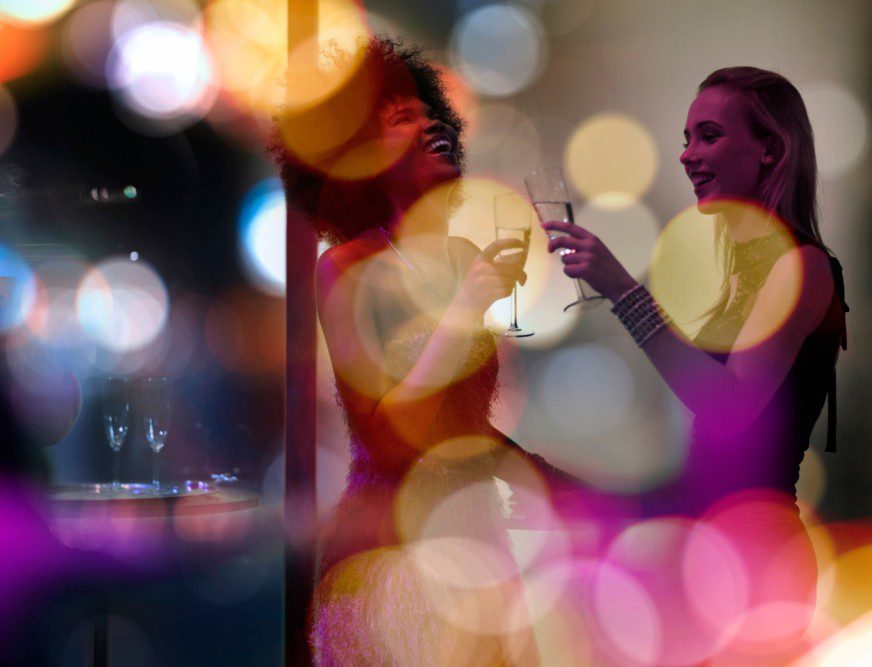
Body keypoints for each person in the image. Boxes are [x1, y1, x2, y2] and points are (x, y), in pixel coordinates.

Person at [544, 67, 847, 659]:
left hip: (759, 560)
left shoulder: (804, 266)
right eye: (686, 137)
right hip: (715, 550)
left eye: (708, 135)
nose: (687, 155)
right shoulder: (741, 273)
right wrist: (569, 484)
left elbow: (731, 410)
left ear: (770, 150)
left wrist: (625, 293)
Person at [275, 36, 545, 665]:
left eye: (431, 112)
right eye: (404, 117)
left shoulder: (457, 261)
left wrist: (545, 477)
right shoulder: (346, 267)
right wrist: (461, 311)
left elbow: (459, 430)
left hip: (479, 547)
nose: (430, 123)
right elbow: (386, 438)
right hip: (393, 558)